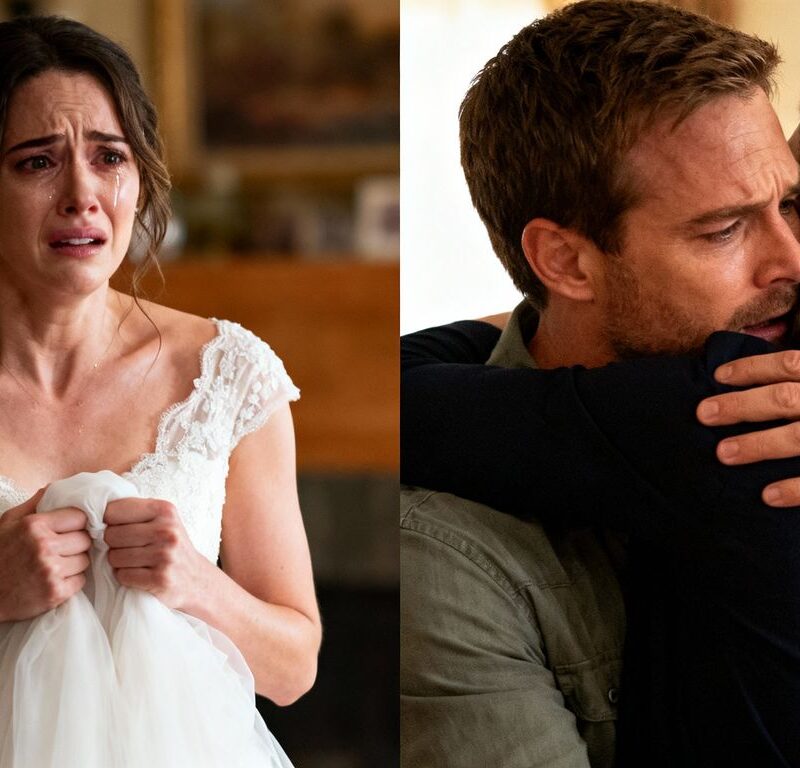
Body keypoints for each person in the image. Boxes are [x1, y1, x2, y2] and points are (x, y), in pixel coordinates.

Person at [400, 2, 800, 766]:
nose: (791, 261)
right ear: (566, 261)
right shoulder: (446, 557)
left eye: (790, 204)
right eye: (724, 230)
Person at [0, 13, 320, 762]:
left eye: (109, 156)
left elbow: (295, 669)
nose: (82, 194)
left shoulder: (228, 376)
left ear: (140, 178)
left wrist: (199, 587)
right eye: (35, 162)